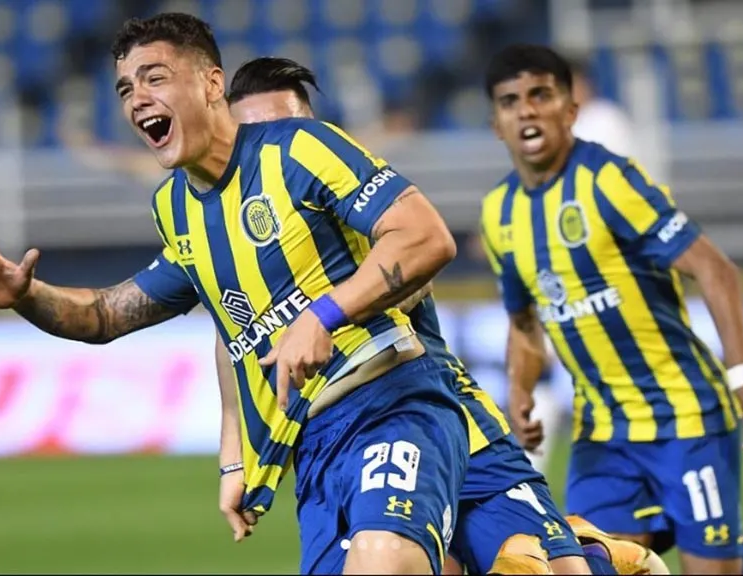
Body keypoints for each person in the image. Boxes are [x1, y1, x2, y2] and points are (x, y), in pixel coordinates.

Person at [0, 12, 470, 576]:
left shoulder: (297, 148)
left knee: (384, 563)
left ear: (212, 84)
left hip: (391, 401)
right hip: (311, 449)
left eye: (155, 78)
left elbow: (423, 236)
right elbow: (107, 315)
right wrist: (28, 295)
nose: (136, 99)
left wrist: (324, 314)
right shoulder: (174, 208)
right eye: (126, 88)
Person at [228, 56, 671, 576]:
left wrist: (331, 308)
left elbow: (418, 266)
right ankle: (591, 552)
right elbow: (228, 331)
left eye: (286, 130)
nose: (271, 148)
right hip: (337, 448)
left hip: (429, 418)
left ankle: (585, 553)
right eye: (255, 135)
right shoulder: (236, 241)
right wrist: (235, 458)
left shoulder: (347, 206)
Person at [478, 43, 743, 576]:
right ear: (496, 122)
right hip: (602, 431)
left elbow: (716, 269)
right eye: (510, 100)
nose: (527, 110)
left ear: (570, 109)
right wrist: (519, 392)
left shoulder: (609, 181)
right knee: (590, 567)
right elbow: (523, 319)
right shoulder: (498, 213)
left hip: (687, 417)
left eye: (541, 95)